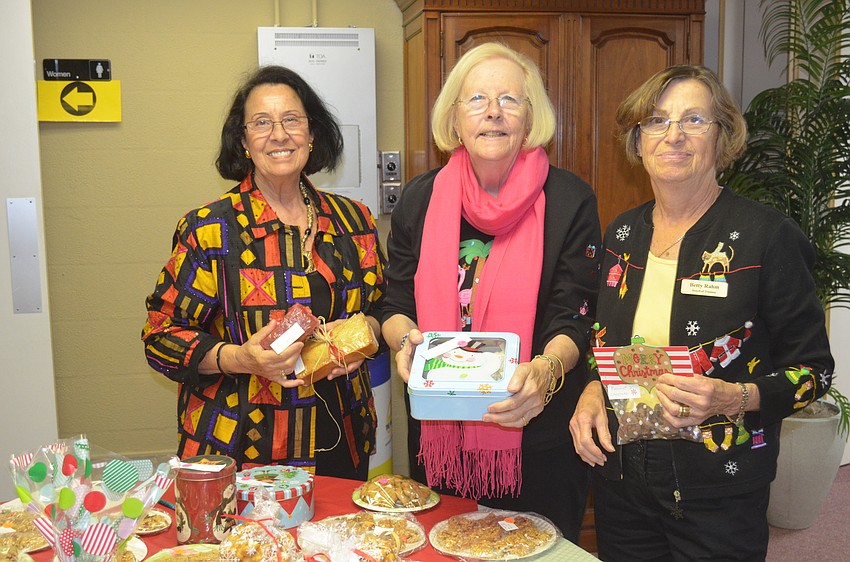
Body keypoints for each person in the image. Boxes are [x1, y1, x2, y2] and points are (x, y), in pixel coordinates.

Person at [569, 65, 835, 561]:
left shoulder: (767, 236)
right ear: (638, 139)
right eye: (656, 121)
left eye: (694, 119)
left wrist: (734, 397)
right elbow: (600, 340)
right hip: (622, 481)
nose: (673, 135)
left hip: (720, 489)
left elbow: (814, 371)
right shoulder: (621, 236)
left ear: (723, 136)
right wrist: (590, 387)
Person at [381, 42, 602, 541]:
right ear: (455, 119)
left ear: (531, 119)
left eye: (510, 99)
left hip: (537, 436)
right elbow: (394, 304)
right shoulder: (420, 197)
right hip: (441, 435)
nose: (494, 112)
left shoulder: (569, 199)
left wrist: (545, 370)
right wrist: (405, 344)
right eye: (477, 99)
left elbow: (578, 313)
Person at [142, 65, 386, 480]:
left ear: (312, 133)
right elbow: (161, 337)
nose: (279, 134)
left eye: (292, 120)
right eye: (261, 123)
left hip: (342, 438)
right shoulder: (210, 229)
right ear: (243, 141)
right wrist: (241, 358)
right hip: (241, 448)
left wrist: (362, 341)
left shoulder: (353, 220)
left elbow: (385, 309)